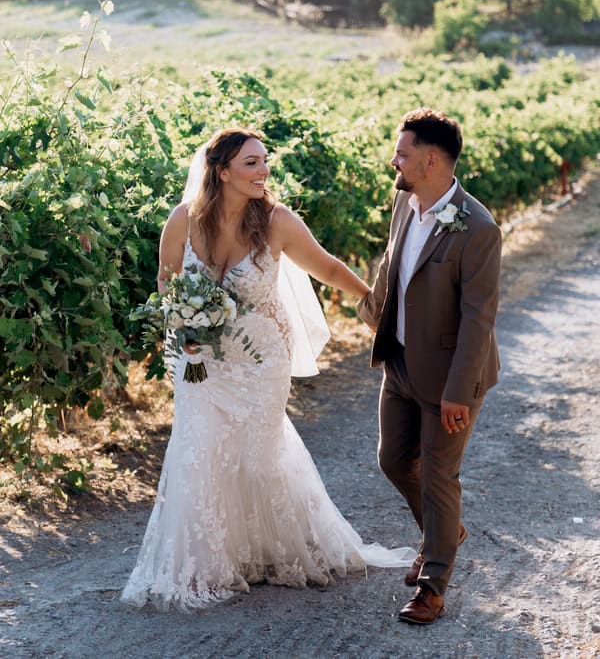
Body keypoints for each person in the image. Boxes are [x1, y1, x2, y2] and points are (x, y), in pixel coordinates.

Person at [122, 127, 415, 610]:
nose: (264, 171)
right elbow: (166, 285)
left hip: (261, 362)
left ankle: (267, 551)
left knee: (257, 455)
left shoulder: (277, 221)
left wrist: (373, 302)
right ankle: (209, 564)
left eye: (264, 161)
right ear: (222, 171)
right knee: (200, 450)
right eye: (252, 163)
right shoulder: (182, 220)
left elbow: (328, 267)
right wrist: (182, 328)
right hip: (200, 361)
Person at [356, 107, 501, 625]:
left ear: (432, 159)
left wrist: (459, 391)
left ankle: (432, 585)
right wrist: (369, 309)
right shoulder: (404, 202)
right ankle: (446, 529)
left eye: (403, 153)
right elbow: (391, 267)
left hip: (449, 378)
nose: (393, 161)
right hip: (398, 364)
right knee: (392, 460)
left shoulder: (477, 228)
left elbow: (477, 319)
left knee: (439, 477)